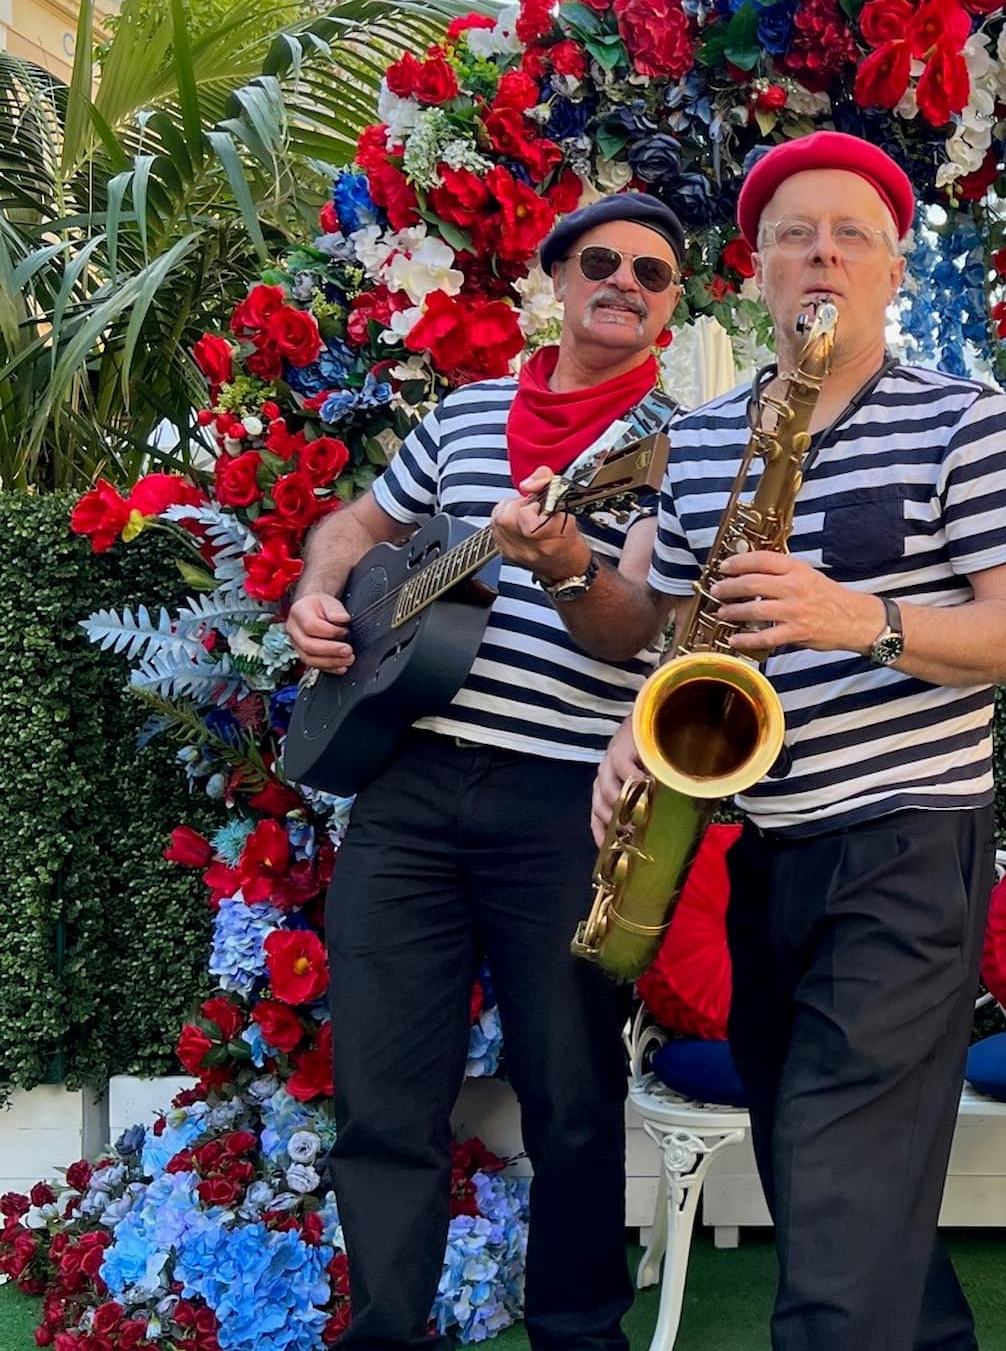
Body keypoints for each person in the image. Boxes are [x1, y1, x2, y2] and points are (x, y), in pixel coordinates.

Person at [589, 130, 1006, 1351]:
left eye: (852, 235)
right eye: (796, 234)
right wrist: (634, 741)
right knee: (819, 1171)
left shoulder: (970, 420)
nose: (823, 255)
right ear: (757, 271)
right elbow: (679, 644)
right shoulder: (698, 442)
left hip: (912, 840)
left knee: (842, 1182)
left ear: (894, 272)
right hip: (773, 845)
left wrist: (861, 619)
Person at [286, 193, 692, 1351]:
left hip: (562, 799)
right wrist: (320, 595)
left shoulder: (676, 445)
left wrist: (568, 567)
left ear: (669, 308)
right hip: (405, 790)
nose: (626, 282)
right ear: (558, 279)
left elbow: (640, 631)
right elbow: (357, 527)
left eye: (654, 275)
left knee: (571, 1096)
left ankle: (577, 1330)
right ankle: (383, 1332)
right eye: (604, 261)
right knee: (381, 1093)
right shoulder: (461, 417)